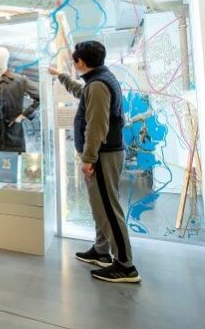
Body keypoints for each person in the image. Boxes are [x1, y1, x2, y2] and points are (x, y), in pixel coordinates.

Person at [48, 41, 140, 283]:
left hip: (103, 155)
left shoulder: (98, 85)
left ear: (81, 62)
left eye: (74, 61)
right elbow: (82, 92)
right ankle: (101, 250)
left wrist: (88, 158)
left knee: (108, 208)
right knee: (101, 205)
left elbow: (97, 125)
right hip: (104, 153)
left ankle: (125, 265)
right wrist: (61, 76)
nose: (74, 64)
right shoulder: (98, 80)